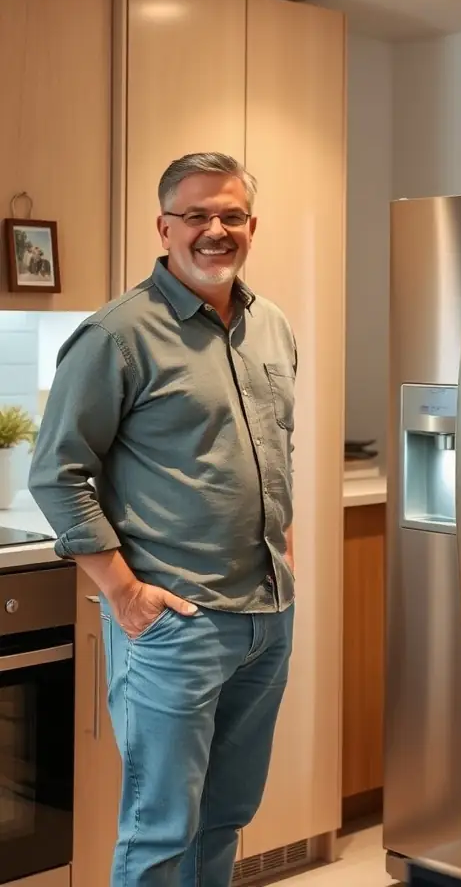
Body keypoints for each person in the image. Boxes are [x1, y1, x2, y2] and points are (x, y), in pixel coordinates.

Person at [29, 152, 297, 887]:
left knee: (225, 817)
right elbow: (57, 473)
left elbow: (274, 453)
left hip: (266, 617)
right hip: (177, 620)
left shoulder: (270, 325)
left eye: (231, 215)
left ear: (252, 225)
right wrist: (122, 592)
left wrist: (286, 552)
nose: (216, 229)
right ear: (164, 227)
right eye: (197, 215)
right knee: (160, 832)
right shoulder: (118, 334)